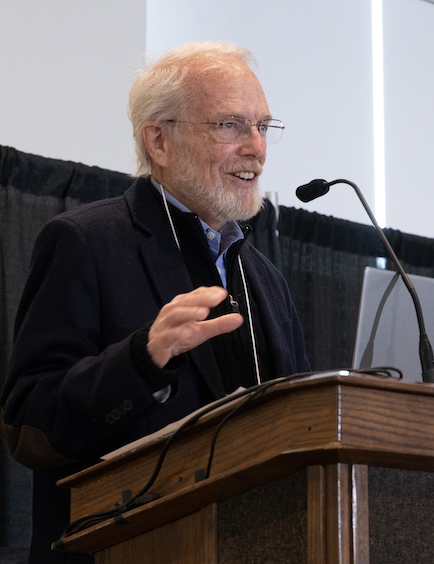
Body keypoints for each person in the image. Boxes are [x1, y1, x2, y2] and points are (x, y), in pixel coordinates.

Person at [0, 41, 310, 563]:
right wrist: (140, 361)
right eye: (230, 125)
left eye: (263, 126)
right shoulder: (84, 242)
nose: (256, 147)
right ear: (159, 140)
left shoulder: (266, 279)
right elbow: (29, 426)